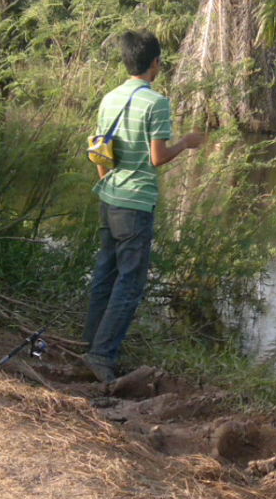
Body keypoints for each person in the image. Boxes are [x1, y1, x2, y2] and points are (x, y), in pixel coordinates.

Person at [82, 30, 203, 383]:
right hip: (135, 205)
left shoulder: (110, 98)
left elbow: (98, 150)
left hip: (110, 197)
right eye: (160, 60)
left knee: (105, 274)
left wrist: (107, 181)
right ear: (154, 63)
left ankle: (91, 343)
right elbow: (158, 157)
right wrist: (187, 142)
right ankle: (101, 355)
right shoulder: (156, 102)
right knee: (130, 283)